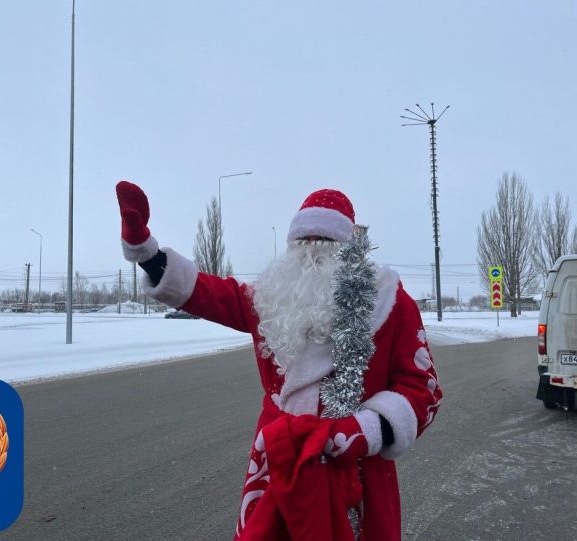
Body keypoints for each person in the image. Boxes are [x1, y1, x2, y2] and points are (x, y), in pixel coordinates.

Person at [116, 180, 442, 541]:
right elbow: (206, 293)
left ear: (348, 250)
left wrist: (364, 431)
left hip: (356, 468)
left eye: (325, 244)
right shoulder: (271, 299)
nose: (311, 254)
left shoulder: (390, 303)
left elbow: (422, 389)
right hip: (279, 459)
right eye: (303, 244)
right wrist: (149, 255)